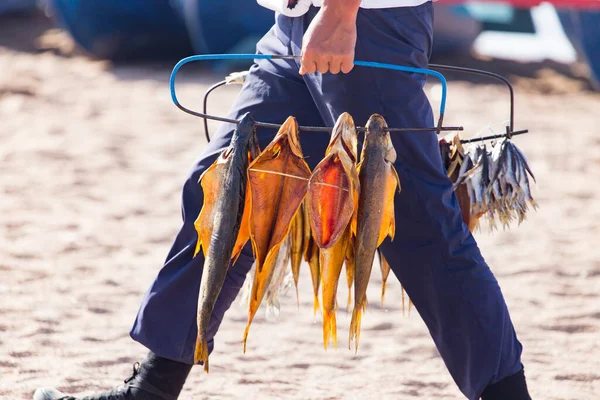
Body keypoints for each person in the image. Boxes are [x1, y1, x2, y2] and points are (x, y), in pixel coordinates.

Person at [34, 1, 532, 399]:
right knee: (225, 192)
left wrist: (340, 14)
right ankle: (152, 389)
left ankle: (507, 394)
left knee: (418, 224)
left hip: (362, 24)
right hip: (291, 25)